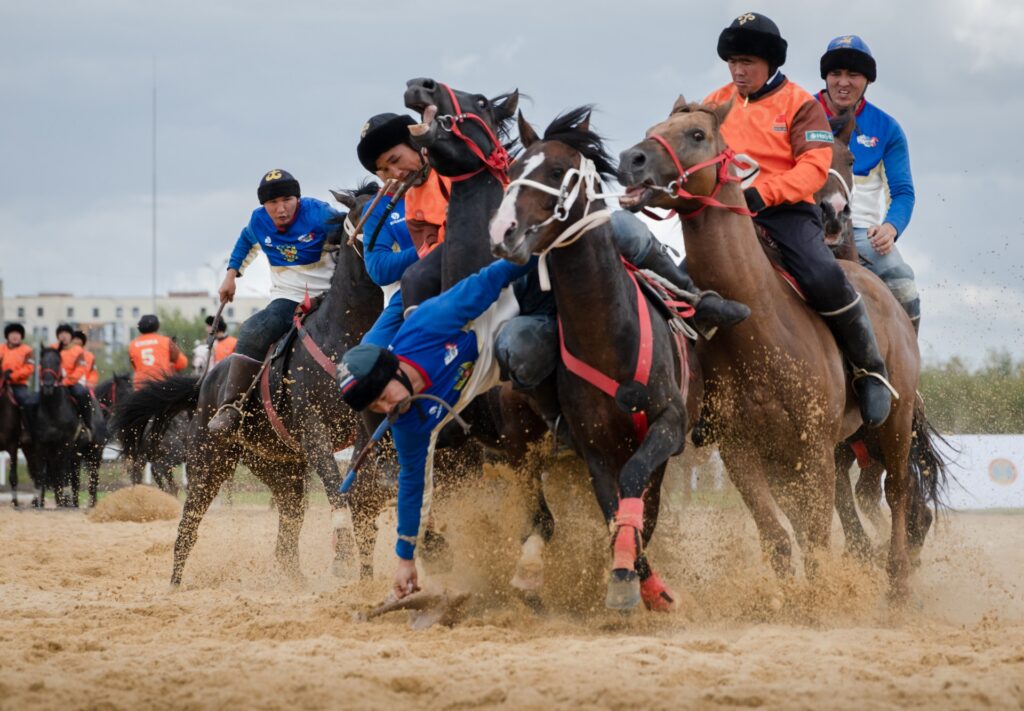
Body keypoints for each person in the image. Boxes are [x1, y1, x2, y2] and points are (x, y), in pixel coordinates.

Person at [702, 12, 892, 427]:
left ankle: (870, 369)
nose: (738, 70)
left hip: (787, 214)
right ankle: (699, 389)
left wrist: (761, 192)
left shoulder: (802, 105)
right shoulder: (714, 104)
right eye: (733, 62)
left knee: (825, 277)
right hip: (729, 219)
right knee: (685, 290)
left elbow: (815, 167)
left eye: (747, 62)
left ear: (770, 63)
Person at [337, 257, 533, 599]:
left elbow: (494, 275)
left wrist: (538, 251)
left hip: (524, 309)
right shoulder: (407, 423)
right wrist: (405, 561)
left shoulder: (430, 323)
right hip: (499, 373)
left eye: (384, 397)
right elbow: (413, 485)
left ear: (394, 369)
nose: (387, 410)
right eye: (376, 408)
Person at [208, 169, 344, 435]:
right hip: (288, 297)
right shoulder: (258, 221)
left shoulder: (321, 215)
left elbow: (355, 233)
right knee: (252, 330)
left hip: (331, 295)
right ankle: (231, 407)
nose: (281, 209)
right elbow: (246, 241)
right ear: (264, 205)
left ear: (298, 198)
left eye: (287, 200)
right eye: (273, 203)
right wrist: (231, 276)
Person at [816, 34, 920, 332]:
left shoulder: (887, 129)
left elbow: (902, 193)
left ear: (868, 81)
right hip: (802, 221)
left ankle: (904, 374)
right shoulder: (800, 113)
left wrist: (890, 228)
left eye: (854, 74)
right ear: (826, 77)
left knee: (903, 284)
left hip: (861, 231)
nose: (843, 82)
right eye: (835, 73)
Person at [356, 112, 451, 346]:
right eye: (385, 170)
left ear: (415, 144)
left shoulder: (452, 169)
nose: (395, 173)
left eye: (396, 160)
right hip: (417, 283)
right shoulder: (378, 209)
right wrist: (425, 250)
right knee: (369, 350)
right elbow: (378, 269)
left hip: (468, 264)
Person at [49, 323, 95, 426]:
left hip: (72, 383)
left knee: (82, 394)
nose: (63, 336)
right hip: (52, 383)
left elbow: (80, 369)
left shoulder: (78, 350)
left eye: (66, 333)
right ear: (57, 336)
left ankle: (88, 424)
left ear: (71, 336)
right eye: (61, 333)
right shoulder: (52, 348)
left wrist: (65, 382)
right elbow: (44, 366)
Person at [127, 315, 187, 390]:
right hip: (161, 385)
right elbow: (182, 363)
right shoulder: (166, 341)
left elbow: (135, 366)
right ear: (157, 326)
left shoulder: (132, 345)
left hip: (140, 387)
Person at [1, 323, 35, 406]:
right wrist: (2, 375)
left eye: (17, 334)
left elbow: (29, 368)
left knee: (27, 402)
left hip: (18, 384)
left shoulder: (28, 350)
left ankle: (28, 419)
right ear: (7, 336)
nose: (15, 336)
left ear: (21, 336)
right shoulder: (1, 348)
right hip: (1, 382)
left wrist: (12, 376)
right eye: (12, 334)